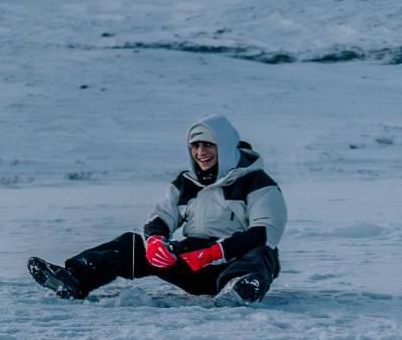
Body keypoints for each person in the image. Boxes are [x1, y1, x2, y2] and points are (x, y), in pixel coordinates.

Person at [29, 114, 286, 305]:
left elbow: (267, 231)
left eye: (208, 145)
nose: (200, 152)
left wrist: (215, 252)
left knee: (262, 252)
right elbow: (161, 217)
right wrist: (155, 241)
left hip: (232, 262)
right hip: (192, 262)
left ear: (225, 145)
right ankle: (73, 278)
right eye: (195, 146)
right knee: (131, 244)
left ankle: (240, 289)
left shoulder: (257, 182)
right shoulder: (186, 184)